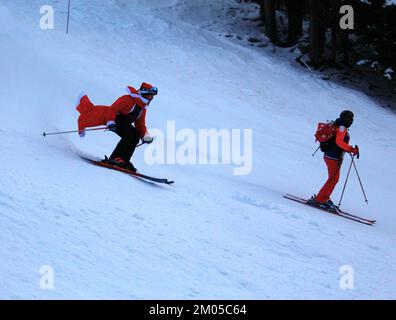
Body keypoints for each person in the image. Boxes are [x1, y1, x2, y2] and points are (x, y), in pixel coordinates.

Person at [76, 82, 158, 172]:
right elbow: (113, 109)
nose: (152, 98)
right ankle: (115, 158)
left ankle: (125, 161)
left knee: (135, 136)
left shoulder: (142, 107)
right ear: (145, 93)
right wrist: (110, 122)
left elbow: (140, 124)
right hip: (116, 119)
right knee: (129, 135)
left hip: (124, 122)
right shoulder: (128, 99)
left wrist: (145, 136)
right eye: (151, 95)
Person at [308, 110, 359, 210]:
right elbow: (339, 142)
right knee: (333, 179)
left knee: (333, 179)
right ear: (346, 119)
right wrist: (351, 149)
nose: (351, 121)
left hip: (330, 156)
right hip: (333, 157)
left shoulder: (337, 125)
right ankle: (320, 199)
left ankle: (324, 197)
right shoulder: (341, 127)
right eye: (350, 118)